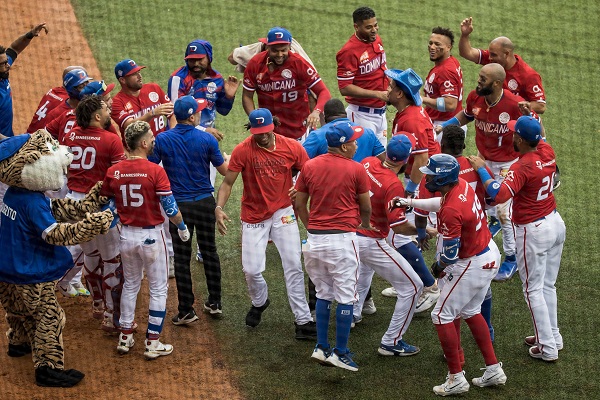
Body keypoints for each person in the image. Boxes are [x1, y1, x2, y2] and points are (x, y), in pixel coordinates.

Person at [390, 154, 506, 395]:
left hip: (472, 263)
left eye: (431, 173)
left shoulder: (452, 209)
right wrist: (409, 202)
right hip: (487, 254)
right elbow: (440, 203)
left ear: (442, 178)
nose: (427, 176)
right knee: (471, 311)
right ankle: (493, 369)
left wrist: (437, 269)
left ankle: (456, 378)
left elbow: (450, 255)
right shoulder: (460, 186)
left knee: (441, 315)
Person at [468, 116, 565, 362]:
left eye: (514, 133)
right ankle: (552, 335)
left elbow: (499, 195)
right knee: (547, 286)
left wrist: (481, 167)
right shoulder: (546, 149)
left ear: (520, 139)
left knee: (533, 290)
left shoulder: (523, 166)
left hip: (533, 231)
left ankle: (547, 347)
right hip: (554, 222)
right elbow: (540, 133)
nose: (510, 135)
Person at [215, 108, 315, 339]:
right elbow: (228, 183)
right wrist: (219, 208)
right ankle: (260, 301)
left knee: (293, 265)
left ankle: (303, 320)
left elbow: (308, 172)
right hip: (253, 216)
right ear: (251, 129)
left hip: (283, 212)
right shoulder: (243, 150)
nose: (262, 135)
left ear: (273, 126)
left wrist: (299, 186)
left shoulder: (292, 147)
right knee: (251, 270)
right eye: (257, 132)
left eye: (266, 131)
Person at [102, 120, 191, 360]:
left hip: (126, 236)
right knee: (158, 288)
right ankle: (153, 342)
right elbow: (170, 209)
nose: (154, 140)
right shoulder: (155, 170)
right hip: (151, 236)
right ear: (142, 143)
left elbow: (107, 204)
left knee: (131, 284)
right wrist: (182, 227)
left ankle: (125, 335)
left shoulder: (114, 171)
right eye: (151, 137)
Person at [439, 63, 530, 282]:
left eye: (483, 79)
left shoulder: (514, 104)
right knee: (480, 204)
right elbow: (466, 115)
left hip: (508, 163)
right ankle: (482, 239)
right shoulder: (475, 97)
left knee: (504, 213)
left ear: (497, 83)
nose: (478, 81)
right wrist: (444, 126)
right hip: (482, 160)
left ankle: (511, 258)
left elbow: (533, 131)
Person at [295, 121, 373, 372]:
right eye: (353, 141)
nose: (356, 144)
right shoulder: (356, 169)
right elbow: (366, 207)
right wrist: (365, 224)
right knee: (347, 297)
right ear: (344, 145)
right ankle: (340, 351)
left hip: (315, 241)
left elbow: (299, 205)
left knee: (322, 293)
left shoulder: (309, 166)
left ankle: (321, 346)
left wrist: (311, 227)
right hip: (342, 241)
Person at [302, 98, 384, 316]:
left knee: (323, 261)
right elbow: (385, 161)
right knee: (358, 255)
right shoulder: (366, 132)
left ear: (324, 117)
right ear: (345, 116)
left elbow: (300, 164)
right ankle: (366, 302)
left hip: (330, 206)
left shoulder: (318, 136)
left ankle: (315, 308)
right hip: (363, 202)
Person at [414, 125, 497, 339]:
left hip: (450, 232)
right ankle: (487, 329)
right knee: (482, 287)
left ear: (442, 146)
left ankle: (455, 341)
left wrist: (421, 234)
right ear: (464, 145)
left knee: (448, 289)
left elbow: (422, 210)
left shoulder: (435, 173)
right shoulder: (477, 166)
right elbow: (491, 198)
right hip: (479, 229)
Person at [150, 96, 228, 322]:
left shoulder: (162, 139)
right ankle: (215, 302)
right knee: (210, 252)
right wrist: (229, 159)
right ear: (192, 116)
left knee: (182, 259)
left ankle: (186, 309)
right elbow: (223, 171)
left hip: (178, 207)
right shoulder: (206, 139)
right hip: (205, 204)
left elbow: (152, 167)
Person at [354, 134, 424, 356]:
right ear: (405, 161)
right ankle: (391, 342)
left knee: (364, 272)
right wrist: (423, 231)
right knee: (413, 287)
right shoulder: (393, 184)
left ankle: (354, 313)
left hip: (351, 232)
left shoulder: (367, 162)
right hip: (370, 240)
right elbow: (399, 226)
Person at [63, 95, 126, 332]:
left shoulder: (71, 136)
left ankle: (97, 303)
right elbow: (117, 178)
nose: (109, 110)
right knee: (111, 260)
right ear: (98, 116)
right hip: (98, 207)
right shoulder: (111, 140)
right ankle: (111, 317)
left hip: (73, 205)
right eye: (105, 109)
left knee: (90, 254)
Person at [242, 27, 331, 141]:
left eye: (283, 50)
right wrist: (255, 118)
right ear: (267, 47)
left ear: (289, 46)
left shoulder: (299, 63)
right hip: (269, 131)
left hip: (298, 129)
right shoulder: (255, 63)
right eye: (275, 50)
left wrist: (316, 112)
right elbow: (247, 96)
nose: (280, 54)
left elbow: (324, 92)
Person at [336, 6, 388, 145]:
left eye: (376, 25)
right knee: (364, 160)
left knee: (381, 160)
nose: (374, 30)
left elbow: (382, 69)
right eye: (368, 27)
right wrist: (377, 94)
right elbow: (345, 88)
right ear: (356, 26)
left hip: (381, 114)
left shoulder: (376, 40)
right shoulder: (348, 51)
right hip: (361, 115)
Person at [0, 22, 48, 138]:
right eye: (3, 63)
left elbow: (14, 49)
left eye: (7, 61)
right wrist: (11, 142)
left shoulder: (2, 75)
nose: (8, 65)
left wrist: (30, 34)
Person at [421, 27, 465, 142]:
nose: (432, 47)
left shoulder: (445, 71)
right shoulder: (450, 61)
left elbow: (450, 104)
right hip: (446, 124)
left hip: (443, 128)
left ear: (448, 47)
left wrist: (422, 99)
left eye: (437, 44)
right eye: (430, 43)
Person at [111, 59, 175, 138]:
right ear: (122, 80)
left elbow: (172, 115)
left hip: (161, 146)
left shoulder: (154, 88)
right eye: (134, 74)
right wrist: (152, 113)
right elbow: (130, 126)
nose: (139, 76)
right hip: (137, 149)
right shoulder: (117, 102)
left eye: (139, 72)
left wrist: (172, 135)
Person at [27, 65, 86, 133]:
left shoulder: (52, 91)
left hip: (31, 133)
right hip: (40, 139)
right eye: (82, 83)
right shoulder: (68, 101)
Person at [43, 68, 93, 137]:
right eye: (82, 87)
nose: (87, 89)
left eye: (87, 83)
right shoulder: (55, 114)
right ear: (72, 90)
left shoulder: (92, 106)